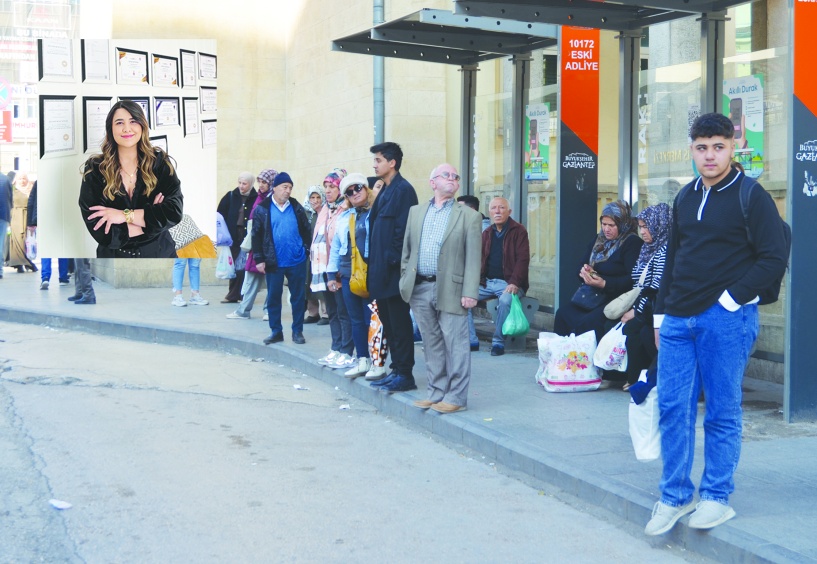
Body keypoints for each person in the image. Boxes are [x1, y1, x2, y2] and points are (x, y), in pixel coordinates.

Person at [644, 113, 789, 536]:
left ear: (732, 148)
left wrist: (730, 299)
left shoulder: (751, 195)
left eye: (718, 147)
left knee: (722, 411)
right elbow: (673, 258)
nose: (710, 155)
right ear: (692, 150)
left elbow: (774, 256)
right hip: (678, 319)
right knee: (673, 408)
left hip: (725, 320)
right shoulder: (685, 196)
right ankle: (675, 496)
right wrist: (660, 315)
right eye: (702, 147)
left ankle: (716, 497)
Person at [400, 164, 482, 414]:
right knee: (431, 342)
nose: (453, 179)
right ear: (433, 182)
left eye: (456, 176)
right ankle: (436, 392)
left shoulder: (469, 216)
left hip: (452, 288)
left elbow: (473, 258)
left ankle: (456, 397)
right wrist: (405, 278)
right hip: (420, 287)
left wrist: (470, 291)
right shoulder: (415, 212)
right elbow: (407, 250)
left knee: (456, 343)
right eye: (447, 175)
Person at [79, 100, 183, 258]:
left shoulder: (159, 162)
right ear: (110, 129)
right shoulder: (95, 169)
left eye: (133, 121)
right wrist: (151, 220)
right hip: (115, 258)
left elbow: (174, 212)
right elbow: (102, 232)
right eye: (119, 123)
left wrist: (124, 216)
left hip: (161, 254)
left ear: (142, 126)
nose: (127, 128)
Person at [367, 141, 419, 393]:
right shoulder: (386, 190)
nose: (374, 165)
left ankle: (405, 374)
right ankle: (396, 369)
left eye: (378, 160)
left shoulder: (404, 190)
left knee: (399, 324)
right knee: (388, 323)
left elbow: (404, 232)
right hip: (380, 271)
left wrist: (392, 261)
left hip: (394, 272)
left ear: (392, 162)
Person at [553, 200, 642, 344]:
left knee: (588, 323)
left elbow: (632, 279)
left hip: (615, 298)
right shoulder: (599, 240)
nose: (606, 229)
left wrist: (605, 283)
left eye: (611, 225)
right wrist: (585, 272)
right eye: (604, 224)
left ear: (623, 224)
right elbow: (581, 265)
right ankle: (563, 355)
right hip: (592, 296)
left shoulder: (632, 243)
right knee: (563, 314)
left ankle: (585, 357)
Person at [251, 172, 312, 345]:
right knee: (273, 297)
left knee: (298, 298)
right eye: (285, 187)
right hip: (274, 261)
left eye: (290, 188)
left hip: (296, 260)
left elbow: (306, 230)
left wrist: (306, 250)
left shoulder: (296, 206)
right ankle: (276, 331)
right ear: (275, 188)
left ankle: (297, 331)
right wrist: (259, 259)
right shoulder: (263, 208)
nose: (288, 191)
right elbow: (256, 235)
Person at [617, 203, 672, 390]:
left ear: (659, 226)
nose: (642, 232)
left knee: (636, 331)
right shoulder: (648, 248)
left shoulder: (665, 251)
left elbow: (655, 289)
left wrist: (636, 311)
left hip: (656, 309)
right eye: (640, 227)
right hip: (645, 306)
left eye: (646, 227)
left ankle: (637, 379)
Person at [326, 173, 374, 378]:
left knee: (371, 320)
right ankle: (362, 359)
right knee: (355, 319)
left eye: (358, 188)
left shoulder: (375, 213)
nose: (355, 193)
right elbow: (336, 247)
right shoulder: (345, 217)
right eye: (349, 192)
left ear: (366, 188)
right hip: (348, 275)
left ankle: (376, 361)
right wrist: (331, 274)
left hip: (370, 274)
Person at [311, 169, 355, 369]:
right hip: (324, 269)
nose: (327, 191)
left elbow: (340, 242)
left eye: (332, 187)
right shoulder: (325, 210)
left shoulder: (345, 209)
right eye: (326, 187)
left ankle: (347, 350)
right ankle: (336, 347)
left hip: (338, 269)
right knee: (332, 311)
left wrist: (335, 270)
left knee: (343, 311)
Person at [478, 197, 531, 356]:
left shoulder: (519, 231)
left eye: (501, 207)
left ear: (509, 211)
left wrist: (515, 282)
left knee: (505, 300)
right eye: (494, 208)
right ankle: (471, 340)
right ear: (489, 212)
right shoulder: (487, 233)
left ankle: (498, 342)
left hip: (509, 283)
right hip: (487, 283)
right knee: (462, 296)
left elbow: (523, 260)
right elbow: (480, 260)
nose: (497, 211)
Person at [227, 169, 275, 320]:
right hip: (256, 244)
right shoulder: (260, 197)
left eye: (265, 182)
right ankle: (243, 310)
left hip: (270, 246)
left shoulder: (274, 199)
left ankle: (269, 311)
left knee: (272, 280)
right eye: (260, 181)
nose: (261, 185)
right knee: (252, 278)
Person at [217, 172, 257, 303]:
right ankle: (233, 294)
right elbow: (219, 215)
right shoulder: (230, 196)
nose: (241, 186)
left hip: (248, 238)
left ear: (251, 184)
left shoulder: (256, 198)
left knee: (245, 267)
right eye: (240, 183)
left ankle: (243, 294)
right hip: (233, 237)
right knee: (233, 265)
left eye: (244, 183)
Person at [457, 194, 488, 350]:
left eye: (459, 208)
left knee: (462, 295)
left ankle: (471, 340)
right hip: (476, 279)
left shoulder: (484, 230)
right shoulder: (465, 225)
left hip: (484, 280)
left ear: (472, 210)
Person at [26, 181, 70, 289]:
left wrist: (30, 222)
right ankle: (63, 277)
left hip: (43, 217)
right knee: (62, 247)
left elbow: (31, 201)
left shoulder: (40, 181)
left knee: (46, 248)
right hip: (61, 217)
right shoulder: (63, 179)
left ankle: (45, 277)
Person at [303, 185, 327, 324]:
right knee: (308, 282)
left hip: (321, 252)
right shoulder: (305, 213)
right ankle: (313, 313)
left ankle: (326, 313)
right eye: (312, 197)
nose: (315, 200)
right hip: (308, 253)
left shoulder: (325, 212)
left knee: (321, 282)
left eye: (318, 197)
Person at [8, 171, 37, 272]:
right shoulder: (13, 189)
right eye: (20, 179)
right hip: (16, 217)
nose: (22, 181)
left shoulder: (31, 189)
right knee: (18, 241)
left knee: (27, 240)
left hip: (28, 217)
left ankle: (27, 262)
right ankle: (21, 263)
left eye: (24, 178)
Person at [0, 171, 11, 278]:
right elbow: (10, 198)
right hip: (3, 215)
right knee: (1, 244)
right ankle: (0, 270)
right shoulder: (6, 179)